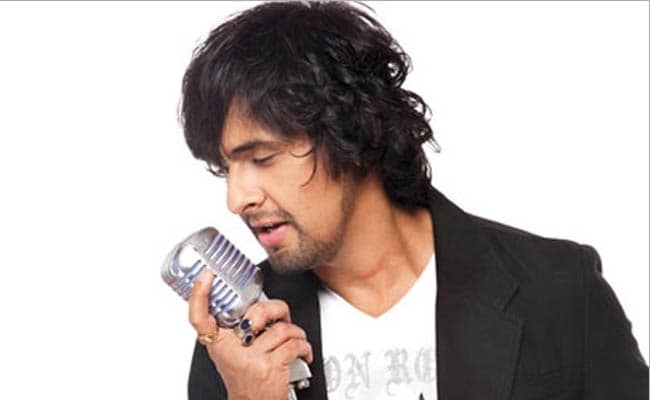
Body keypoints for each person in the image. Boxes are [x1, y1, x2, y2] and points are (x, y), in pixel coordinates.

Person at [179, 1, 648, 399]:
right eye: (226, 169)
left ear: (355, 131)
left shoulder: (560, 292)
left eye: (262, 158)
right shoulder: (237, 348)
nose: (237, 198)